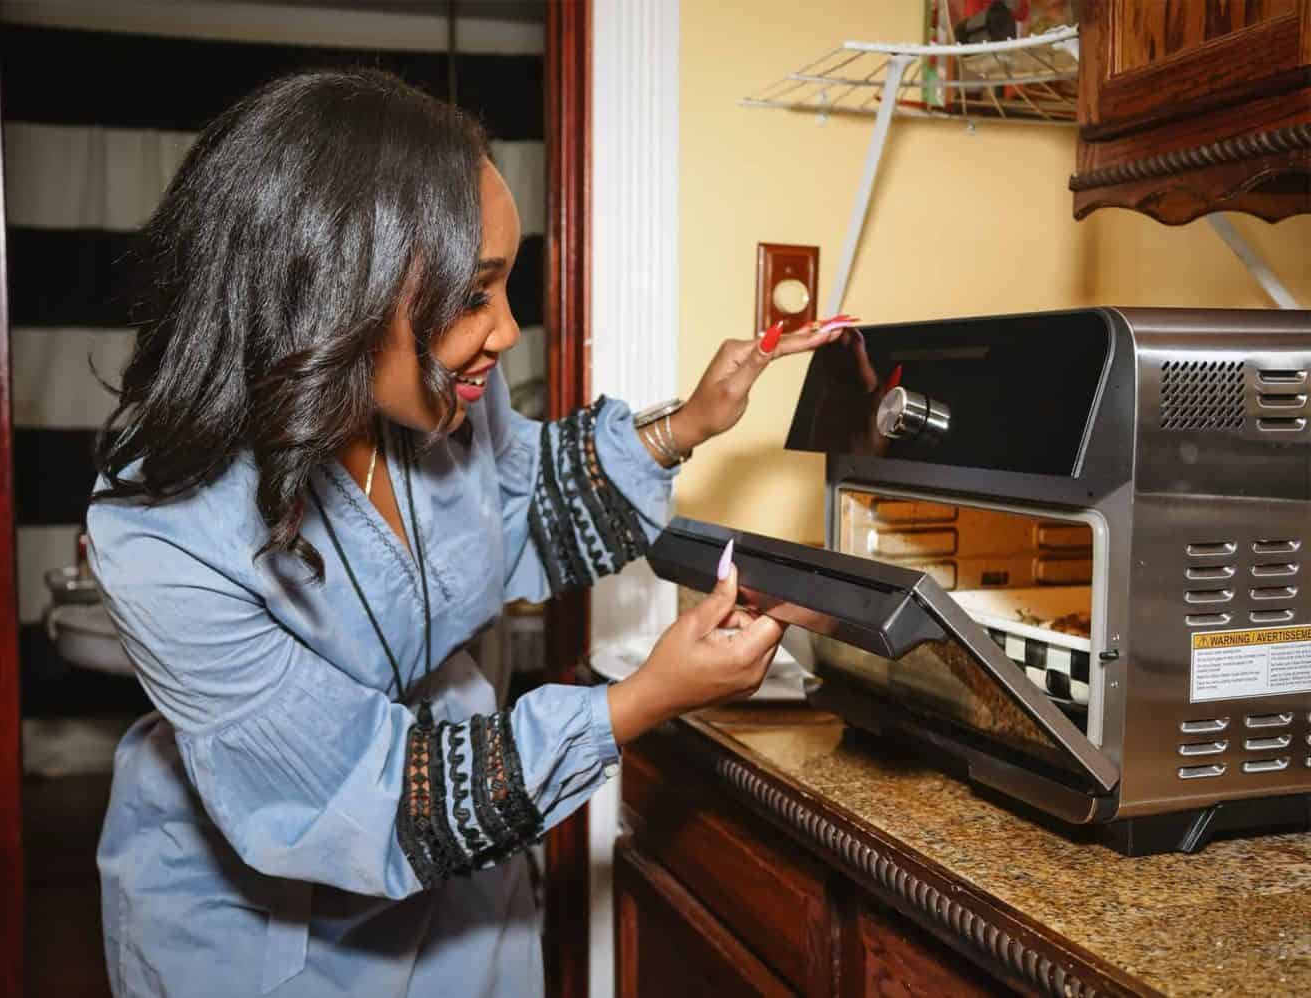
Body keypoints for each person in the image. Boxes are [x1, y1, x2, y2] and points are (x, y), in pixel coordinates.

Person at [88, 68, 845, 998]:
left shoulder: (439, 406)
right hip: (257, 923)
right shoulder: (161, 526)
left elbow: (523, 509)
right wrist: (643, 700)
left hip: (463, 899)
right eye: (474, 294)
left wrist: (686, 423)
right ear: (332, 290)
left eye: (507, 287)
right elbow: (357, 789)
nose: (511, 330)